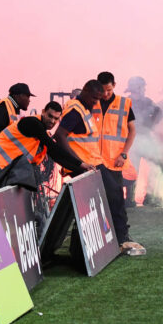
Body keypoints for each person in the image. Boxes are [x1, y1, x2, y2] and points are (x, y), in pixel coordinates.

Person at [56, 80, 144, 255]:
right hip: (86, 165)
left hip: (93, 163)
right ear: (85, 92)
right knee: (113, 195)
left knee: (109, 196)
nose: (96, 102)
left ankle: (98, 242)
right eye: (94, 98)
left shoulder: (84, 108)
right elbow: (59, 135)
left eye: (98, 99)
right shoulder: (76, 110)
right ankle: (121, 239)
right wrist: (76, 162)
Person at [0, 101, 92, 186]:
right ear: (43, 112)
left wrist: (80, 170)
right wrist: (80, 164)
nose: (52, 121)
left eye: (56, 118)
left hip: (1, 164)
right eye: (50, 116)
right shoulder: (33, 123)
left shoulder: (41, 131)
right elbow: (54, 148)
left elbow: (56, 156)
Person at [93, 71, 139, 213]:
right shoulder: (92, 103)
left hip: (115, 161)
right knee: (95, 201)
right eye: (102, 90)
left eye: (109, 90)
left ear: (114, 85)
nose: (106, 94)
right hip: (94, 161)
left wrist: (123, 154)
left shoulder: (124, 103)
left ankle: (121, 227)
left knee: (116, 201)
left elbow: (132, 131)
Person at [125, 76, 163, 206]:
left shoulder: (147, 102)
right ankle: (130, 199)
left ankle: (149, 196)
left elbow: (159, 113)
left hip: (144, 138)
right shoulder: (126, 102)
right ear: (137, 88)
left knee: (156, 164)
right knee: (132, 170)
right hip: (132, 140)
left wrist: (150, 124)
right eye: (142, 87)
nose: (144, 89)